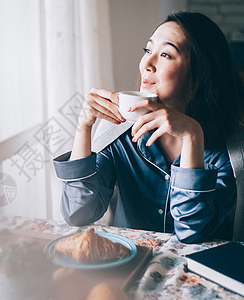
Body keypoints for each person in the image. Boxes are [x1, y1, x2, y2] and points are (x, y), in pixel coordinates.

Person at [53, 11, 244, 243]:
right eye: (148, 50)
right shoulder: (119, 132)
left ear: (199, 72)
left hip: (196, 275)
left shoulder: (231, 152)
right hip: (127, 265)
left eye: (165, 54)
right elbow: (78, 213)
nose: (147, 64)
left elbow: (193, 233)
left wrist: (192, 136)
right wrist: (84, 127)